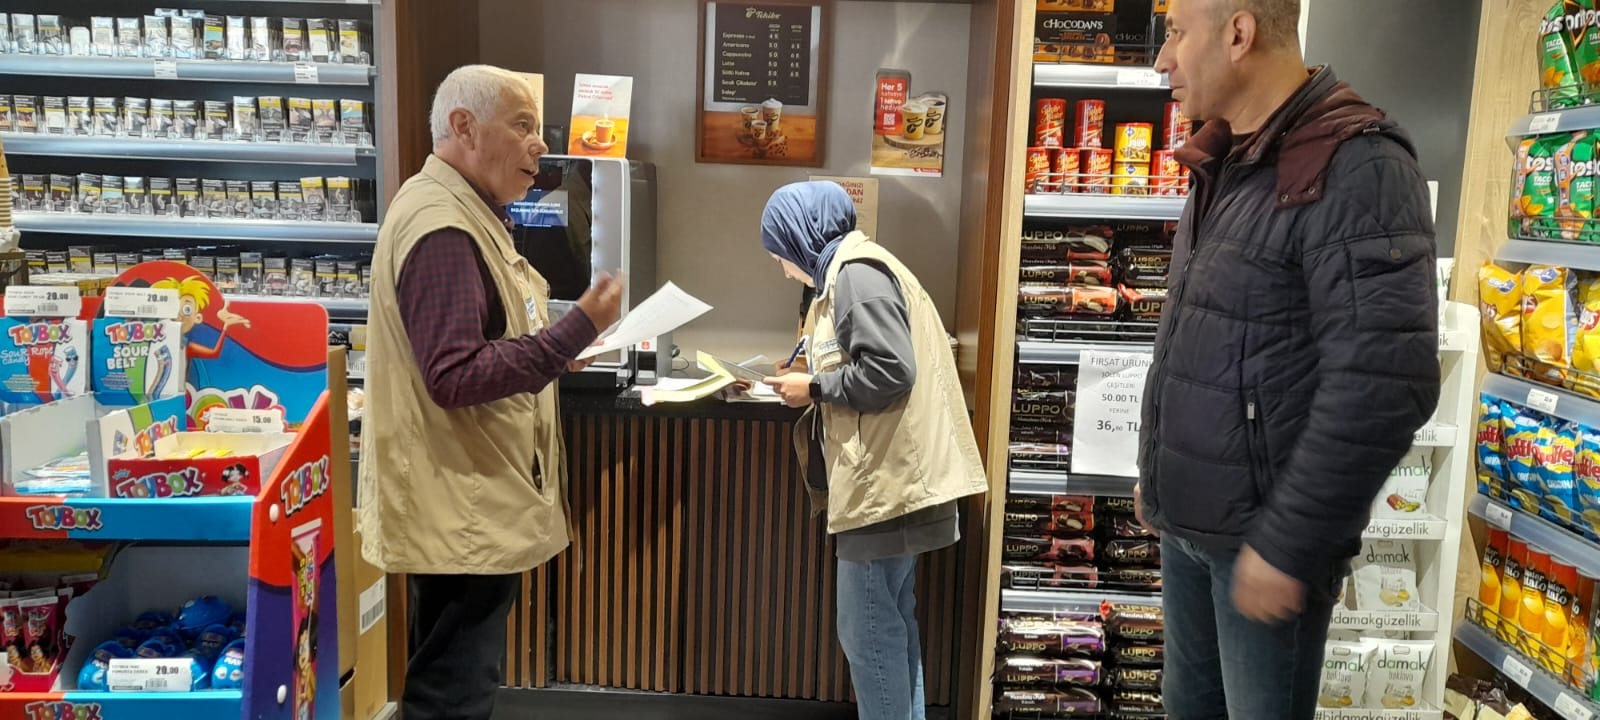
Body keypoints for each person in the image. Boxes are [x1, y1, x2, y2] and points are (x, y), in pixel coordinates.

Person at [1137, 1, 1440, 718]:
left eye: (1177, 33)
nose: (1162, 59)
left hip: (1263, 546)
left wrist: (1288, 543)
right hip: (1193, 529)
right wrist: (1161, 482)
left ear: (1239, 34)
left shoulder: (1358, 166)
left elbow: (1384, 384)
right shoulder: (1230, 158)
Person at [356, 64, 623, 720]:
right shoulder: (444, 228)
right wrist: (574, 331)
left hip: (464, 496)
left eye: (540, 127)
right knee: (453, 691)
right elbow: (454, 375)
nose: (539, 144)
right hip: (460, 500)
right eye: (523, 125)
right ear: (463, 127)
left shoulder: (463, 212)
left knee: (452, 672)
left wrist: (562, 341)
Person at [759, 182, 988, 720]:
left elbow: (890, 371)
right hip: (892, 480)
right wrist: (810, 376)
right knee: (891, 627)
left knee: (867, 636)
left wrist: (814, 388)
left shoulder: (855, 276)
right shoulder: (855, 269)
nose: (782, 267)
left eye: (780, 253)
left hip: (885, 485)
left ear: (799, 237)